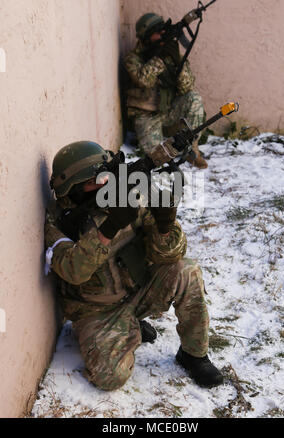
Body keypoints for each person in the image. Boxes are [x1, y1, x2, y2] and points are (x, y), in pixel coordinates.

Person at [44, 140, 223, 391]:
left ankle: (193, 355)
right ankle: (128, 327)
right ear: (74, 187)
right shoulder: (58, 223)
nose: (106, 183)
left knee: (187, 270)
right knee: (110, 378)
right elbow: (73, 271)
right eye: (97, 180)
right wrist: (108, 229)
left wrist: (164, 225)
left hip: (139, 291)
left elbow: (170, 255)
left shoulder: (128, 194)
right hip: (97, 311)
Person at [123, 12, 208, 169]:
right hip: (146, 118)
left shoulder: (169, 52)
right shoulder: (132, 59)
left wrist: (177, 62)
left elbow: (187, 87)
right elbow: (144, 80)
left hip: (169, 112)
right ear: (146, 36)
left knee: (194, 98)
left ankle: (191, 150)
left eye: (163, 29)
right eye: (157, 31)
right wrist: (160, 58)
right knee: (157, 160)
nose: (162, 33)